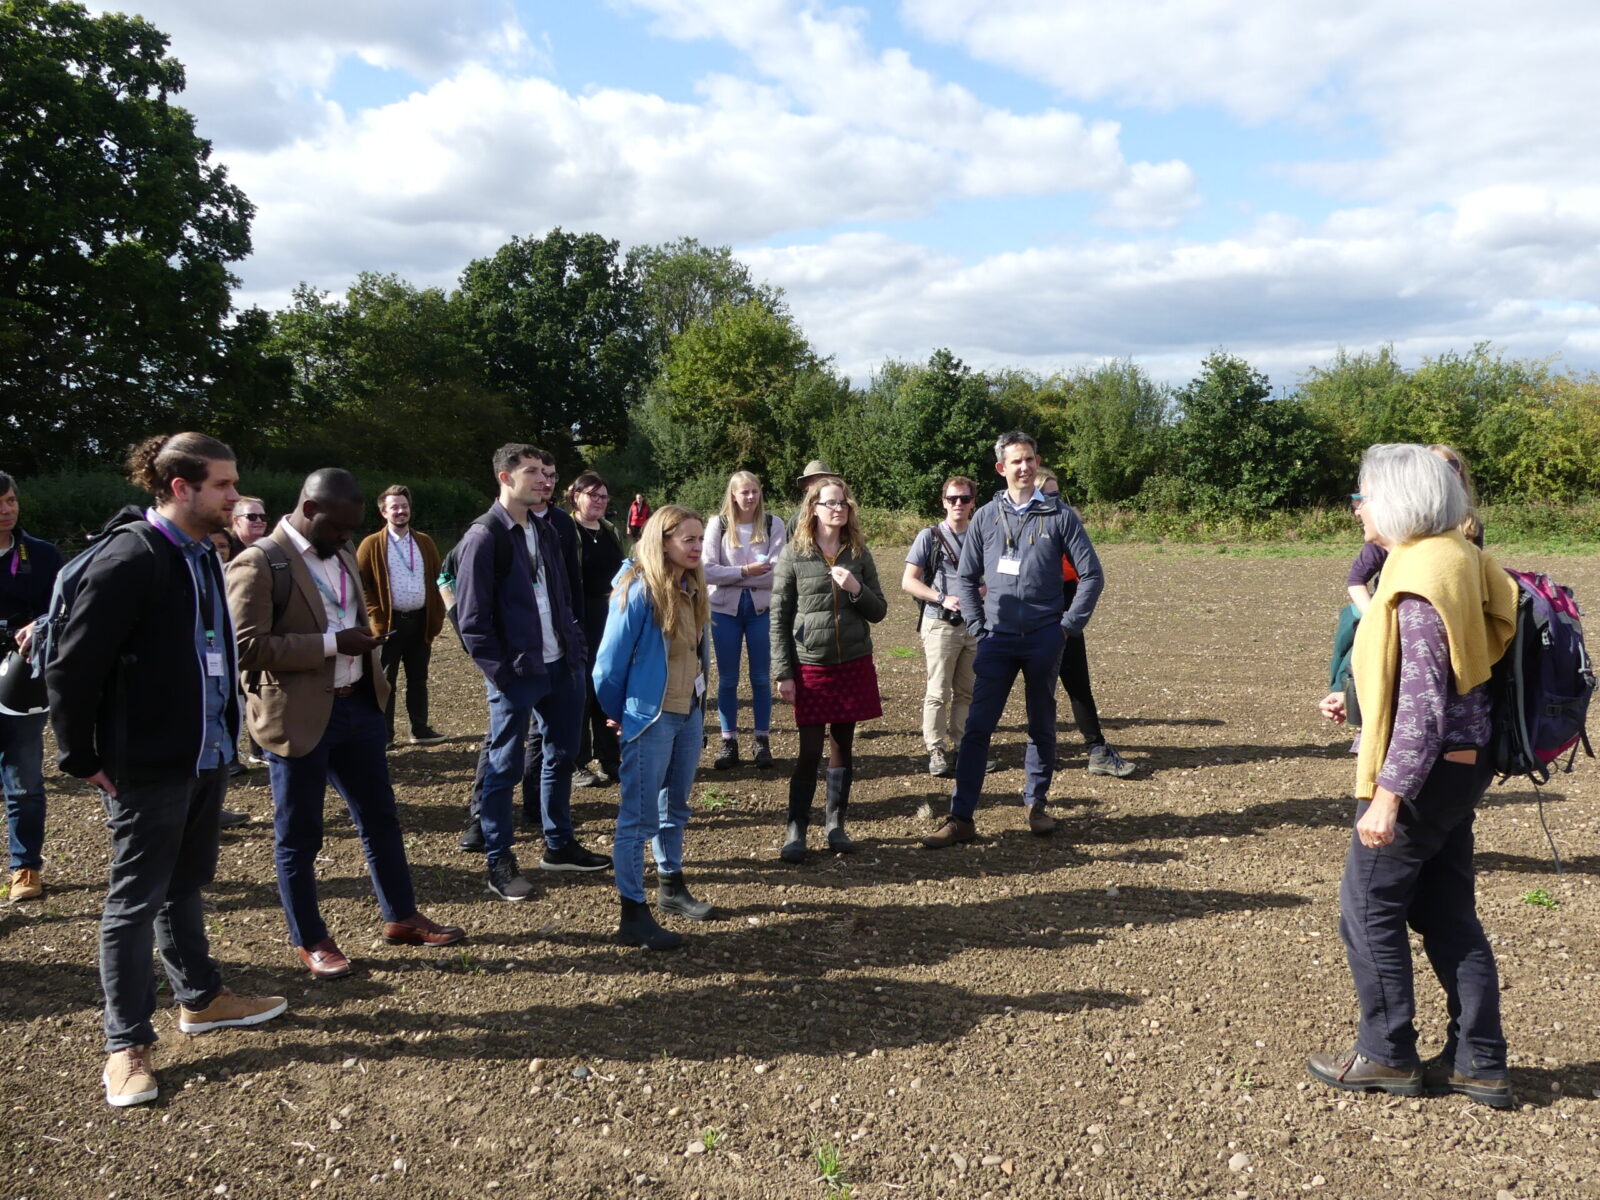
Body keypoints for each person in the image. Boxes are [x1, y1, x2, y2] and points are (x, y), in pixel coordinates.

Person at [45, 433, 285, 1108]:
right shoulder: (130, 559)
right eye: (224, 486)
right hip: (146, 763)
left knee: (185, 882)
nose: (236, 497)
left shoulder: (204, 556)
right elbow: (72, 666)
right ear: (181, 488)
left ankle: (201, 998)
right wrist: (82, 757)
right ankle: (126, 1045)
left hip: (206, 754)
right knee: (133, 904)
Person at [1309, 444, 1518, 1108]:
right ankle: (1478, 1061)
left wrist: (1387, 799)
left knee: (1367, 910)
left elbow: (1425, 713)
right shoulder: (1460, 559)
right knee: (1447, 912)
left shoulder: (1419, 579)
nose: (1358, 508)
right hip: (1462, 767)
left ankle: (1385, 1053)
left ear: (1395, 501)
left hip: (1423, 775)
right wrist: (1363, 701)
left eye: (1362, 495)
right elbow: (1437, 685)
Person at [227, 470, 464, 978]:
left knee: (381, 818)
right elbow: (245, 648)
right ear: (311, 511)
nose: (346, 539)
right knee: (300, 835)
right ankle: (310, 939)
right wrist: (335, 644)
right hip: (299, 716)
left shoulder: (339, 552)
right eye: (339, 529)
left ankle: (401, 916)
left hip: (358, 706)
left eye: (351, 530)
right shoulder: (259, 563)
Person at [922, 431, 1104, 849]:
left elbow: (1092, 575)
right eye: (1015, 462)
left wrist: (1068, 625)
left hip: (1044, 636)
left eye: (1029, 460)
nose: (1024, 468)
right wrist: (978, 628)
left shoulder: (1060, 516)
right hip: (996, 639)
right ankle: (962, 817)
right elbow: (966, 578)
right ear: (1001, 468)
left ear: (1037, 462)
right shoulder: (985, 516)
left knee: (1041, 723)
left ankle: (1036, 805)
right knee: (977, 729)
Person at [455, 444, 609, 902]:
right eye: (533, 473)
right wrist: (502, 674)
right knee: (504, 766)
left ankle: (558, 844)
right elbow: (471, 621)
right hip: (518, 673)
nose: (545, 480)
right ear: (505, 478)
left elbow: (561, 597)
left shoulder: (545, 530)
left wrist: (575, 652)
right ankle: (499, 860)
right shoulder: (484, 537)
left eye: (547, 472)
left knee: (562, 756)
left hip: (562, 665)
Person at [593, 505, 715, 950]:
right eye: (689, 540)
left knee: (675, 807)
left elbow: (698, 654)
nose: (698, 547)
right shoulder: (637, 590)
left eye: (701, 539)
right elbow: (606, 667)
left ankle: (670, 887)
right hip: (651, 718)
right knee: (638, 818)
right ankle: (632, 913)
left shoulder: (691, 586)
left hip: (688, 712)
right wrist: (623, 713)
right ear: (662, 540)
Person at [770, 476, 887, 862]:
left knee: (843, 745)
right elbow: (779, 617)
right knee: (807, 751)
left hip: (851, 661)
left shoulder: (858, 552)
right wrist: (783, 672)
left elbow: (879, 611)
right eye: (829, 503)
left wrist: (856, 588)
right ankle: (796, 829)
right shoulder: (794, 554)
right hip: (810, 664)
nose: (838, 509)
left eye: (843, 503)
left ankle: (836, 824)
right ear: (813, 509)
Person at [1036, 468, 1134, 778]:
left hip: (1066, 602)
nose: (1055, 500)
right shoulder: (1022, 527)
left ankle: (1096, 749)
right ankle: (1042, 753)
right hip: (1035, 606)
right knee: (1040, 686)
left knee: (1077, 683)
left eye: (1057, 494)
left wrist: (1072, 619)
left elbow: (1088, 572)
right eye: (1047, 494)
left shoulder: (1068, 525)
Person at [0, 472, 63, 902]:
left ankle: (25, 867)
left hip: (22, 673)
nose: (6, 510)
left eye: (10, 501)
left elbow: (60, 611)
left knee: (23, 776)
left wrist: (39, 626)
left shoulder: (41, 554)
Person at [703, 471, 786, 771]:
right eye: (744, 492)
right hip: (725, 612)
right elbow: (708, 570)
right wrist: (746, 572)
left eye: (754, 491)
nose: (750, 497)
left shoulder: (774, 524)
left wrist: (735, 575)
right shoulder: (718, 524)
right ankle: (729, 740)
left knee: (761, 678)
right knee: (727, 679)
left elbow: (778, 574)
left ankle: (761, 739)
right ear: (733, 495)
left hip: (761, 611)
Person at [901, 475, 981, 779]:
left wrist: (984, 592)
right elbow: (908, 581)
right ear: (943, 501)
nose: (958, 504)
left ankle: (962, 746)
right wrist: (942, 598)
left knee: (967, 691)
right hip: (940, 623)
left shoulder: (982, 535)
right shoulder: (929, 536)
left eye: (964, 498)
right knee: (937, 692)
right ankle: (935, 750)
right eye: (952, 499)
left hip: (974, 623)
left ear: (974, 502)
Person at [356, 484, 447, 747]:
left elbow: (439, 578)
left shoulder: (425, 542)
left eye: (404, 506)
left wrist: (438, 613)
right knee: (386, 681)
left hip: (420, 621)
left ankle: (419, 729)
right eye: (394, 507)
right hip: (388, 624)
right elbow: (361, 585)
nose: (400, 511)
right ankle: (384, 735)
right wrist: (375, 616)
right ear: (383, 512)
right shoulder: (371, 544)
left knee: (419, 679)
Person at [1346, 445, 1484, 616]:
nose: (1445, 472)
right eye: (1434, 467)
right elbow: (1355, 580)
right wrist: (1373, 620)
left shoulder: (1472, 526)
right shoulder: (1390, 531)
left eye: (1451, 465)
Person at [567, 472, 626, 788]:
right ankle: (577, 763)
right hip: (579, 619)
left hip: (610, 618)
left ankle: (610, 760)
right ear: (576, 496)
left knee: (607, 687)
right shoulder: (564, 530)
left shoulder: (610, 531)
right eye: (593, 495)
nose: (600, 501)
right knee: (581, 693)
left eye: (604, 496)